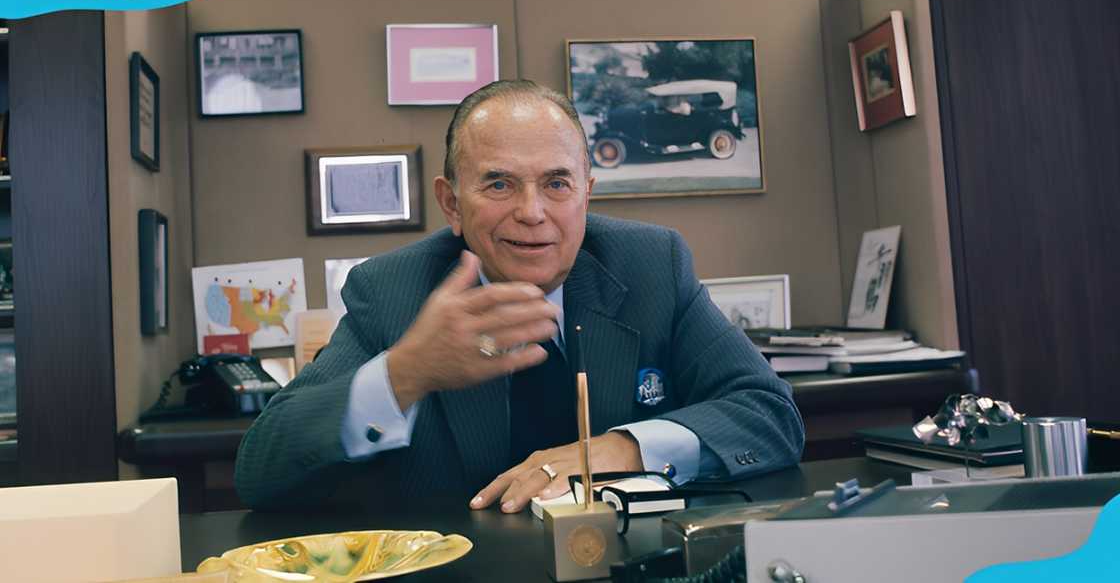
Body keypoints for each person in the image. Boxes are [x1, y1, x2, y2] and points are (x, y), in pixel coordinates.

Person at [234, 80, 803, 512]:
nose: (532, 213)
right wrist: (405, 372)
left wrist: (619, 450)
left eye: (556, 183)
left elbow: (769, 414)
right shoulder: (391, 291)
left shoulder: (653, 265)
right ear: (452, 204)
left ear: (586, 194)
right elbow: (259, 471)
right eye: (500, 183)